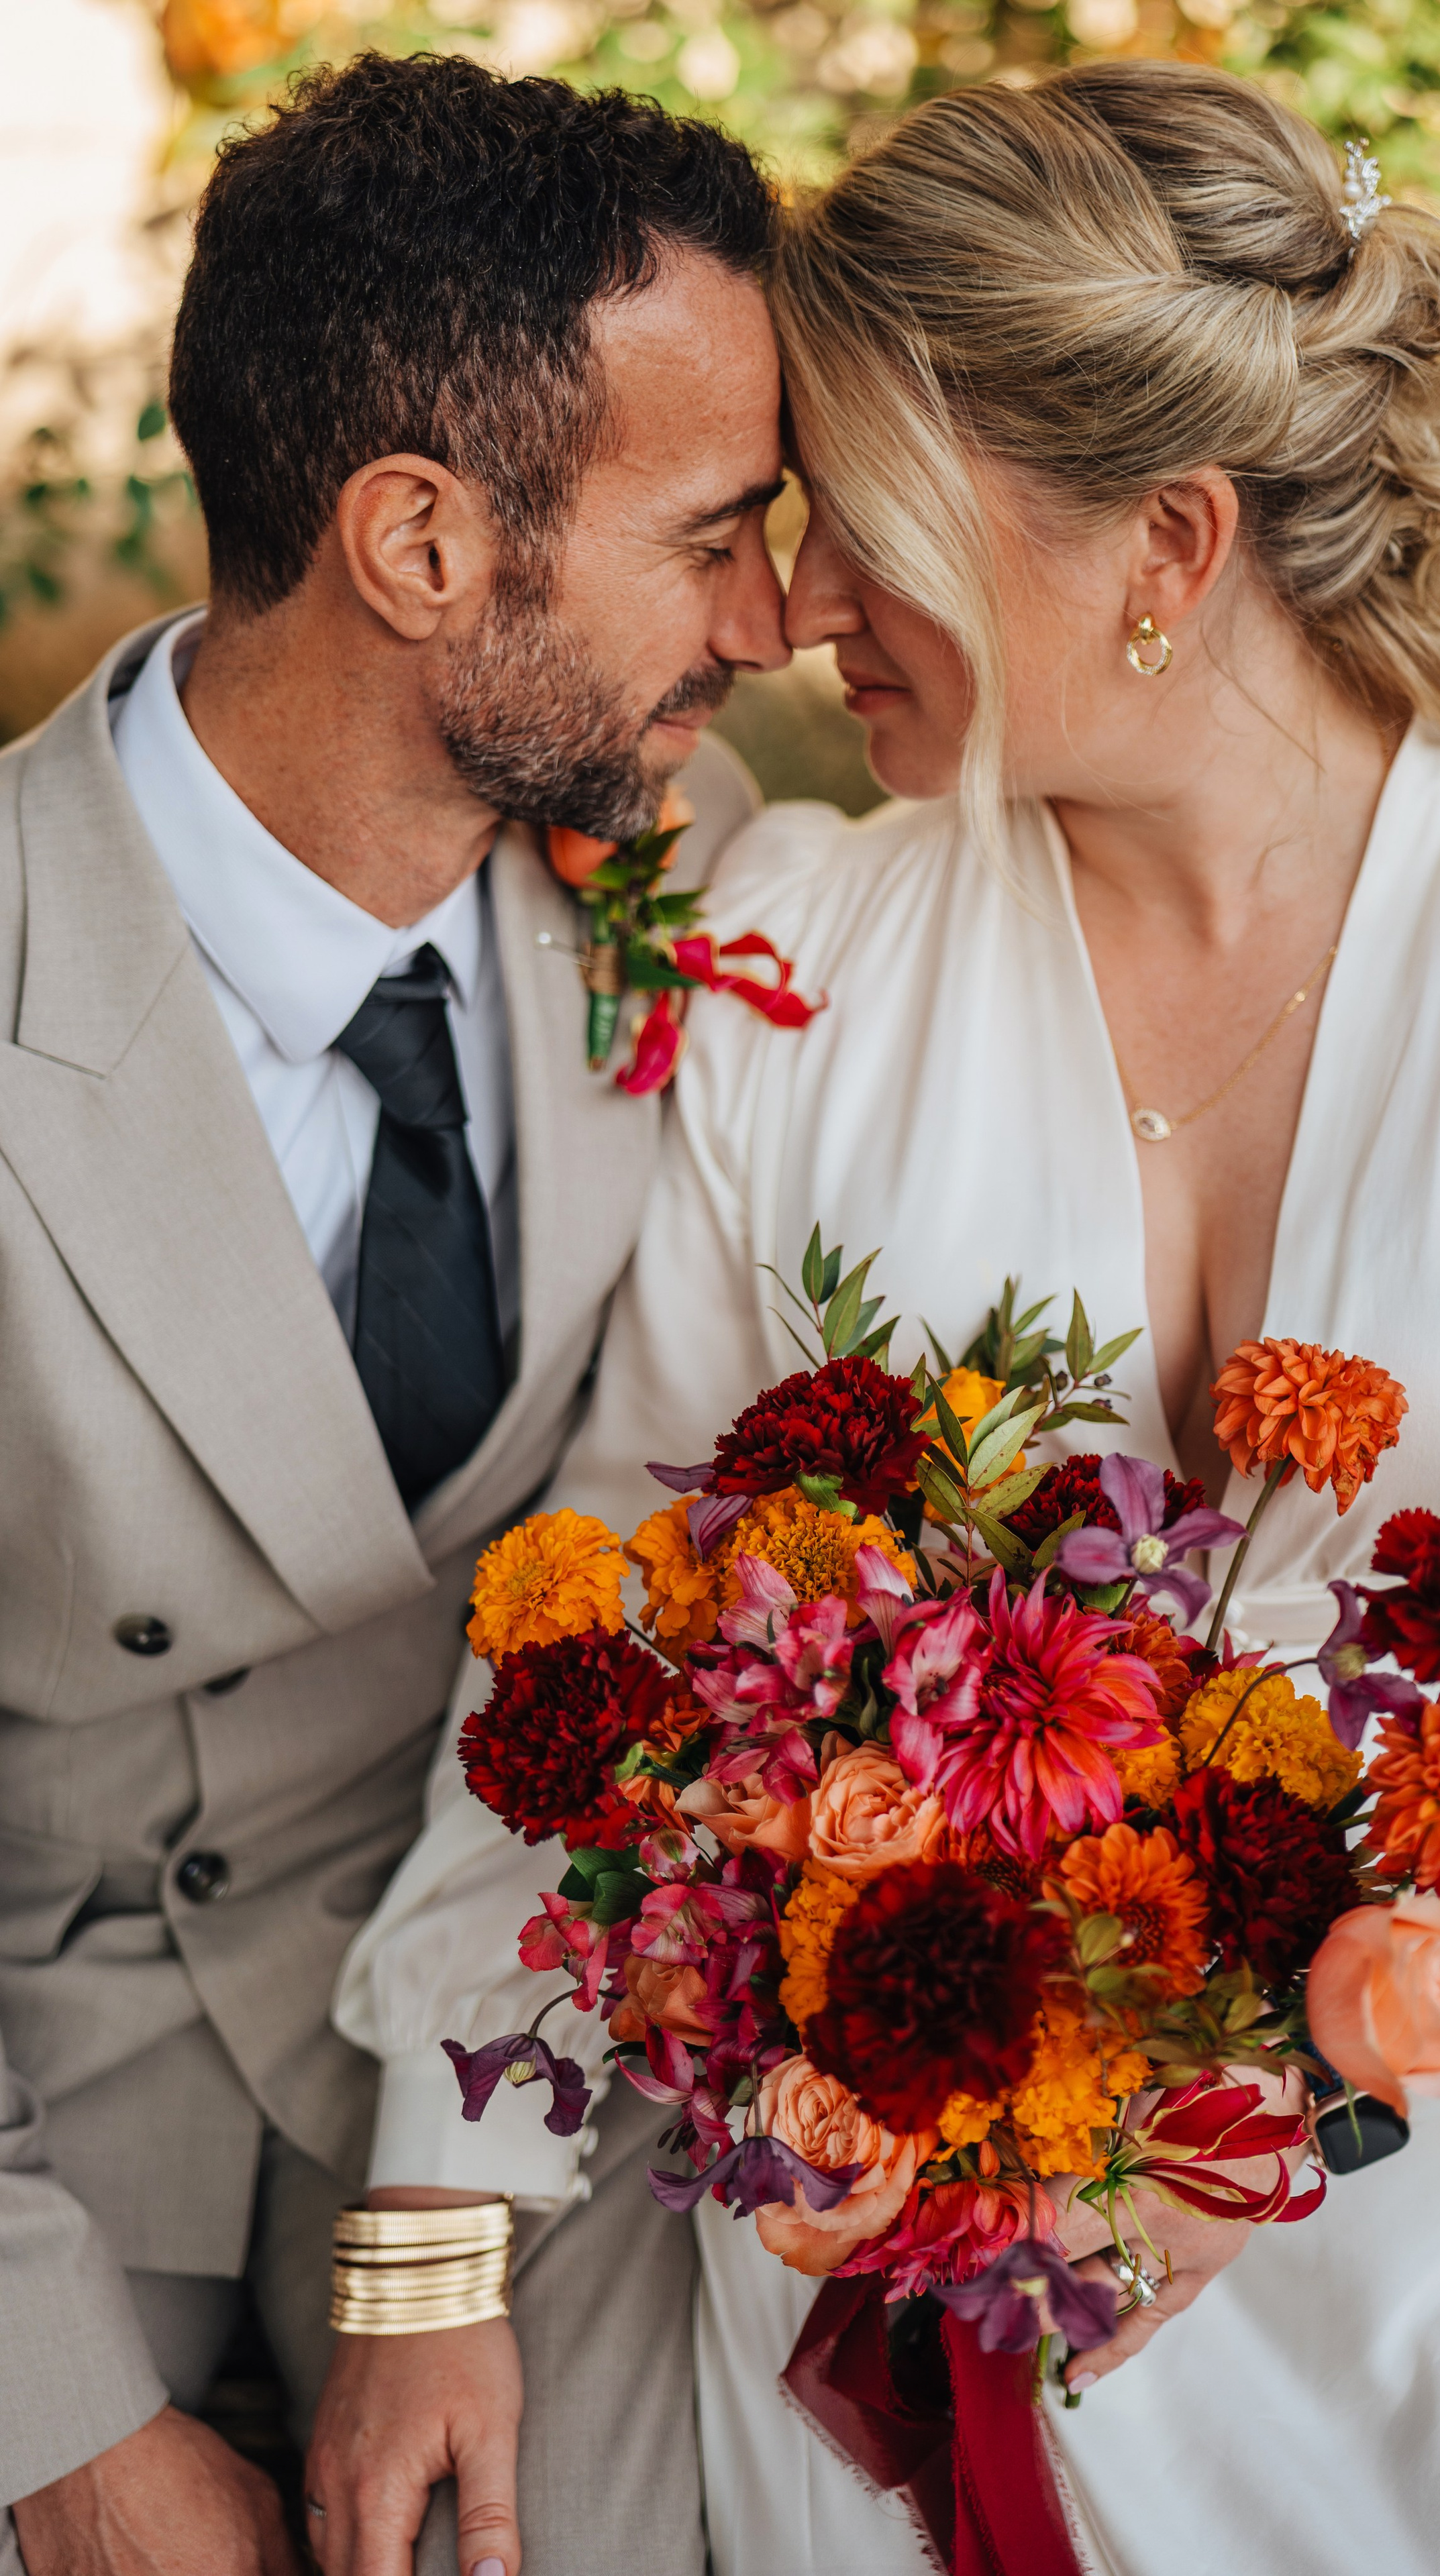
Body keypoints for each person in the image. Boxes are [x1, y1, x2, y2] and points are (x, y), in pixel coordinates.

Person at [337, 56, 1440, 2576]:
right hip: (911, 2308)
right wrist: (433, 2240)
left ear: (1164, 543)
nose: (791, 608)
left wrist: (1325, 2078)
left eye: (860, 522)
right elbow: (601, 1632)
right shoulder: (821, 963)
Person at [0, 49, 788, 2576]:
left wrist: (450, 2223)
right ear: (423, 543)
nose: (770, 624)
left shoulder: (709, 870)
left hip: (503, 2080)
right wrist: (61, 2436)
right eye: (712, 538)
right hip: (53, 2132)